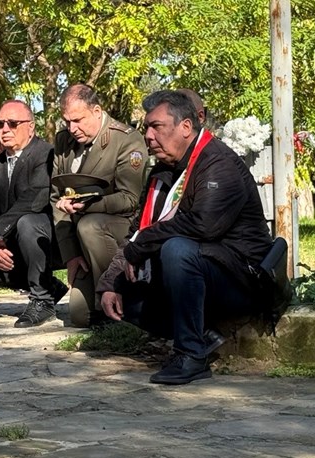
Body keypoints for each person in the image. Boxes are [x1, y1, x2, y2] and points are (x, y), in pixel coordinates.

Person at [98, 90, 273, 385]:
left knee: (177, 249)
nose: (148, 136)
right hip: (198, 273)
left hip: (240, 277)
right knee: (120, 296)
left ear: (186, 127)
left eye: (157, 126)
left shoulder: (218, 163)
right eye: (146, 128)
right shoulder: (162, 172)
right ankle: (203, 335)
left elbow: (203, 226)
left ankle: (190, 355)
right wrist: (109, 283)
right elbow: (137, 232)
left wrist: (141, 245)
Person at [51, 83, 148, 327]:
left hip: (119, 232)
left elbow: (129, 199)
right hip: (81, 239)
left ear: (96, 111)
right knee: (80, 316)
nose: (72, 128)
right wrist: (71, 254)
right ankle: (105, 304)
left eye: (78, 120)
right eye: (67, 121)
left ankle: (119, 295)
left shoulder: (126, 139)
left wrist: (87, 206)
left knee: (90, 225)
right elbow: (56, 198)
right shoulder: (63, 141)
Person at [0, 100, 66, 328]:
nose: (4, 129)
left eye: (12, 123)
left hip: (49, 239)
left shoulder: (46, 154)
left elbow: (35, 198)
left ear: (31, 127)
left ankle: (42, 300)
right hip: (14, 242)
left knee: (28, 222)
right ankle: (51, 287)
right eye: (0, 124)